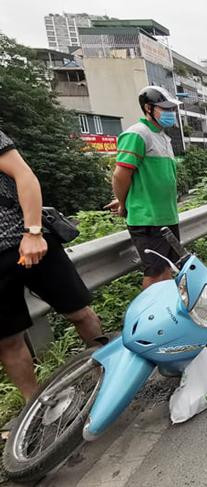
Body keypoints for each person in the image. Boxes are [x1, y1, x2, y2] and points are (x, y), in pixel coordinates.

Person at [0, 129, 103, 402]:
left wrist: (33, 232)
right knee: (8, 341)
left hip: (28, 241)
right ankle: (35, 412)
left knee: (79, 312)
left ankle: (107, 372)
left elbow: (24, 175)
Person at [106, 86, 181, 289]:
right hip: (148, 218)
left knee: (168, 269)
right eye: (165, 108)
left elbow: (149, 178)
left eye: (172, 109)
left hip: (167, 216)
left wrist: (128, 196)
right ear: (148, 108)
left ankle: (164, 316)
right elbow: (121, 175)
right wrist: (123, 203)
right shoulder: (137, 134)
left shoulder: (163, 137)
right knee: (155, 273)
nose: (170, 113)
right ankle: (148, 315)